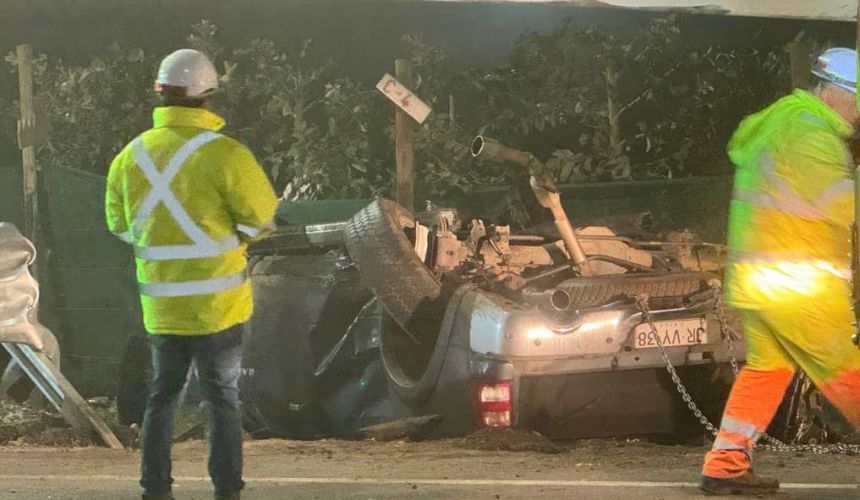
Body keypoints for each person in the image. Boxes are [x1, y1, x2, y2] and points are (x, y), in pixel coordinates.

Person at [105, 48, 278, 500]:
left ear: (161, 96)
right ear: (208, 96)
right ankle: (227, 489)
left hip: (161, 307)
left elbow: (119, 225)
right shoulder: (226, 155)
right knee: (223, 398)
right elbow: (260, 221)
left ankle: (155, 489)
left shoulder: (130, 157)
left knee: (162, 396)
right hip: (219, 307)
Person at [699, 47, 860, 495]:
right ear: (834, 93)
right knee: (849, 371)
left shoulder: (778, 121)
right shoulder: (810, 136)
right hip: (799, 284)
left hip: (758, 281)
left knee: (767, 371)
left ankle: (726, 464)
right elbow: (843, 204)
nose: (859, 112)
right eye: (858, 99)